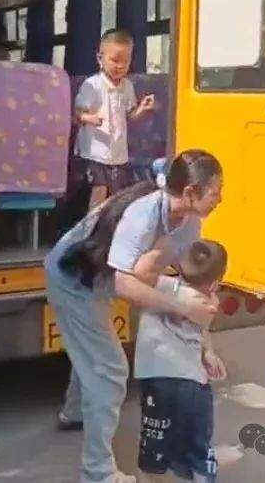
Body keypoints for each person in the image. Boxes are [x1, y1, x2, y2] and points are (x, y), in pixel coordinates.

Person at [45, 149, 226, 483]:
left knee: (93, 356)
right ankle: (96, 472)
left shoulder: (189, 221)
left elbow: (187, 281)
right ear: (190, 193)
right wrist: (182, 305)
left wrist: (205, 345)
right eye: (215, 191)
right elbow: (126, 284)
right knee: (111, 371)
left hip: (100, 279)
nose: (220, 199)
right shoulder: (143, 215)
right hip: (73, 281)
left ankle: (73, 413)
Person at [135, 239, 229, 483]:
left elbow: (139, 270)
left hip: (156, 380)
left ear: (178, 265)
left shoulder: (160, 287)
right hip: (192, 383)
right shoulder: (209, 303)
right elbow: (202, 330)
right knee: (198, 445)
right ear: (215, 283)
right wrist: (209, 352)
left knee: (153, 448)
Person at [73, 29, 157, 212]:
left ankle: (108, 226)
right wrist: (90, 118)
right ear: (100, 59)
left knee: (116, 194)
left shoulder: (127, 86)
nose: (120, 66)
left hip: (118, 153)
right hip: (94, 152)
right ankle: (91, 227)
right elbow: (76, 114)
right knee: (99, 190)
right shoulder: (92, 85)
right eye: (114, 60)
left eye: (125, 61)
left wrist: (142, 108)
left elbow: (129, 116)